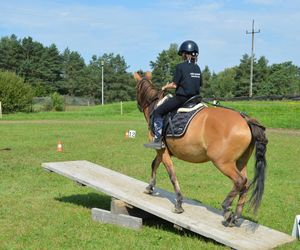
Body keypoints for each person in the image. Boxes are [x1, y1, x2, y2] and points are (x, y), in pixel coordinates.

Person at [144, 40, 203, 149]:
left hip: (182, 99)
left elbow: (175, 85)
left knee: (158, 112)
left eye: (182, 54)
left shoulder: (180, 67)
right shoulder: (198, 68)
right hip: (195, 99)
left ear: (185, 54)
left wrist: (165, 87)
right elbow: (199, 84)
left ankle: (158, 140)